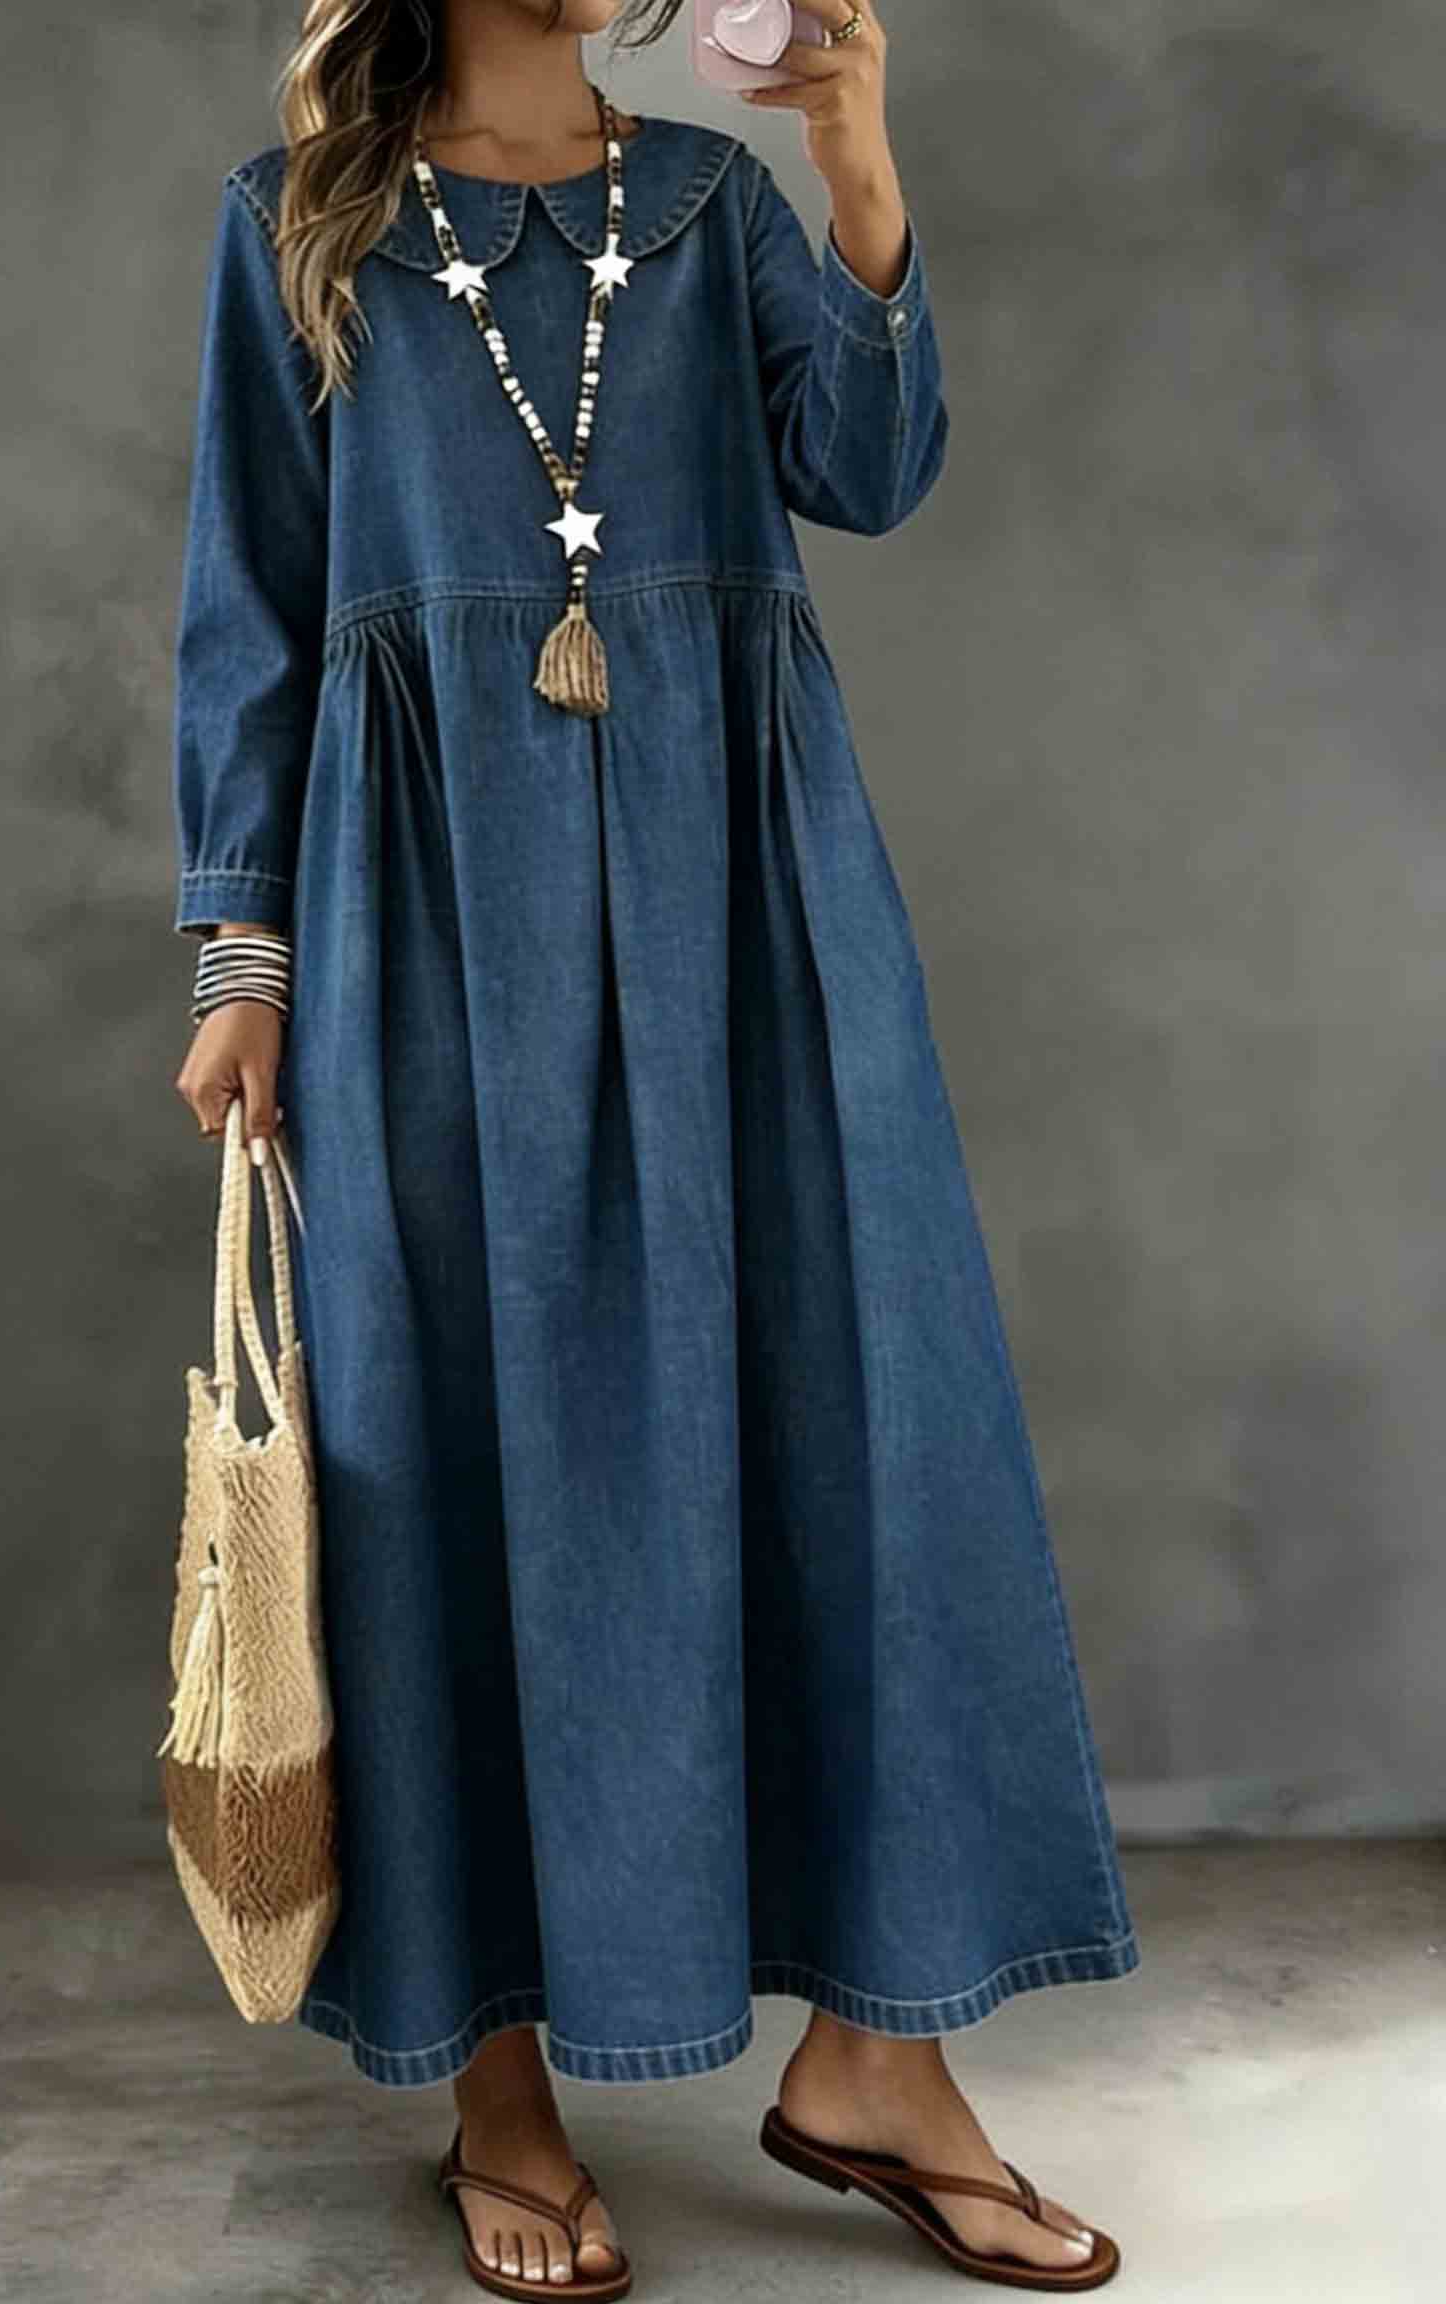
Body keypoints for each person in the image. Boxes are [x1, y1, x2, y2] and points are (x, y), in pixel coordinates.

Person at [170, 2, 1138, 2294]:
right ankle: (499, 2085)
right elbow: (253, 603)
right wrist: (243, 959)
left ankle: (877, 2057)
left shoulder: (706, 205)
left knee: (850, 1414)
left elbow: (869, 467)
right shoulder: (302, 230)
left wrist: (862, 158)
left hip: (749, 899)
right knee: (455, 1451)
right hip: (430, 916)